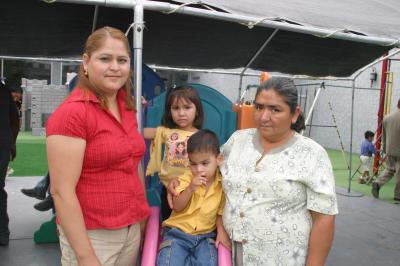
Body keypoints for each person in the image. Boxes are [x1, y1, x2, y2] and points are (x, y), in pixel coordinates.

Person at [46, 26, 150, 265]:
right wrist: (85, 256)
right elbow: (61, 192)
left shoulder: (127, 107)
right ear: (86, 61)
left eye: (122, 60)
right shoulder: (73, 113)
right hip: (92, 237)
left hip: (130, 229)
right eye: (105, 59)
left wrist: (141, 217)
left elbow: (134, 164)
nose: (115, 67)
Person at [219, 77, 337, 265]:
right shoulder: (237, 141)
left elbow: (324, 217)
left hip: (283, 257)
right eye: (259, 107)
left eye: (275, 109)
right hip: (231, 253)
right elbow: (212, 178)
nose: (264, 117)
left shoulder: (312, 154)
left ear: (294, 113)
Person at [157, 129, 230, 266]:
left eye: (205, 163)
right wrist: (191, 188)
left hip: (205, 236)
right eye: (193, 164)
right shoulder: (186, 179)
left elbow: (220, 214)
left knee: (210, 261)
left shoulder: (222, 185)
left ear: (219, 159)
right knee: (168, 261)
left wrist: (221, 232)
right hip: (178, 234)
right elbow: (177, 206)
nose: (198, 169)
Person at [144, 86, 204, 220]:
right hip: (168, 188)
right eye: (176, 108)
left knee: (187, 220)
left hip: (190, 188)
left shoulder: (201, 137)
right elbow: (139, 132)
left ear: (197, 111)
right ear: (169, 111)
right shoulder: (167, 132)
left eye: (187, 107)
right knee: (168, 219)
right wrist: (139, 110)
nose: (181, 113)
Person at [0, 81, 20, 246]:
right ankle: (2, 233)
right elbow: (15, 120)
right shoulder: (4, 91)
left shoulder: (4, 91)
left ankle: (2, 233)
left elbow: (14, 120)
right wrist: (11, 144)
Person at [372, 98, 400, 201]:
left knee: (389, 169)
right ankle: (398, 195)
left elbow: (384, 135)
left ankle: (377, 183)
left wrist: (384, 149)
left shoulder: (387, 118)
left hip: (389, 149)